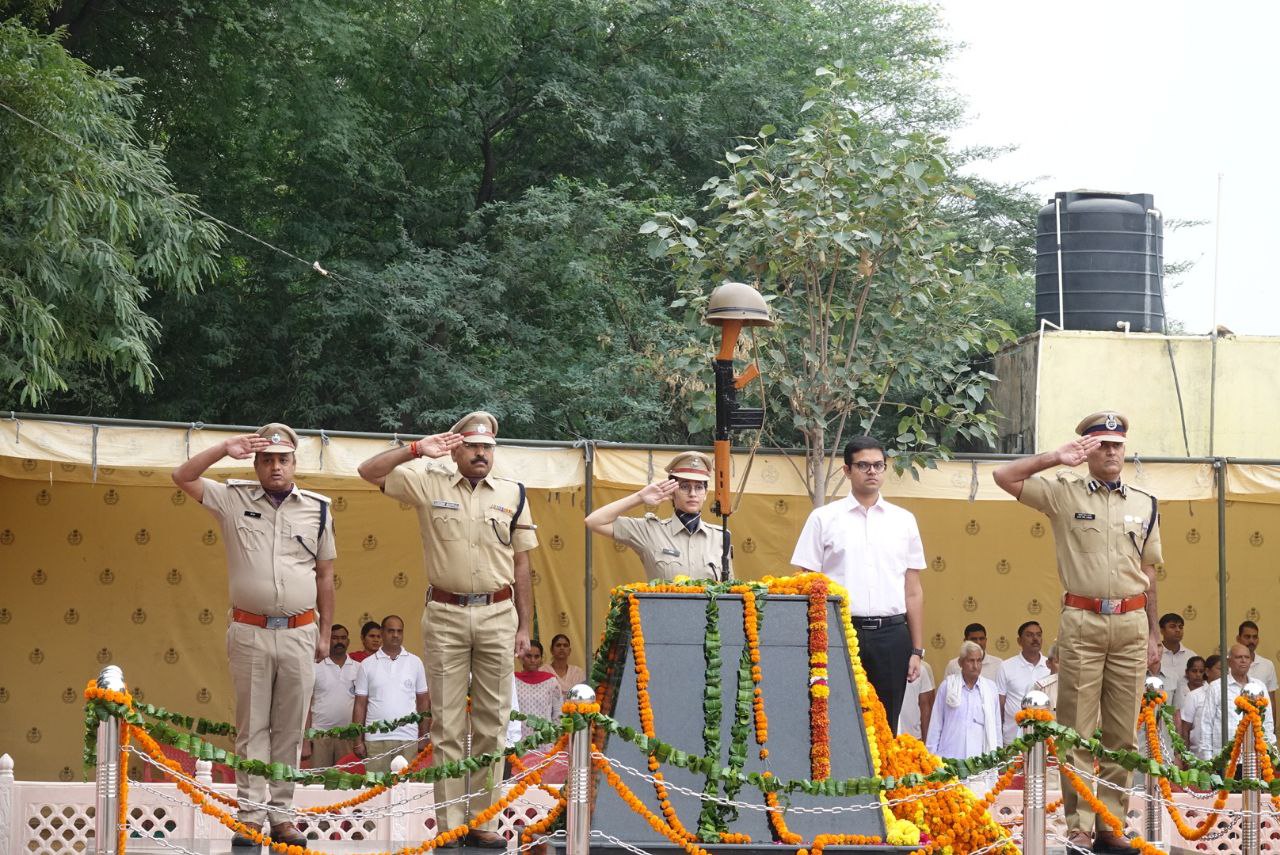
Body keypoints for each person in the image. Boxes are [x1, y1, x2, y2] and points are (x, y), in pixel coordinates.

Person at [357, 412, 535, 849]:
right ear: (456, 449)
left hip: (498, 613)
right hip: (446, 613)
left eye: (487, 447)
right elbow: (368, 471)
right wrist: (417, 449)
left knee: (494, 725)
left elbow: (523, 564)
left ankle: (484, 821)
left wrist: (527, 625)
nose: (480, 453)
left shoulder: (514, 493)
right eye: (472, 446)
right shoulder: (429, 480)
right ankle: (451, 824)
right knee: (448, 725)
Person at [993, 410, 1161, 855]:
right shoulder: (1063, 493)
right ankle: (1080, 826)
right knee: (1077, 731)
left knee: (1122, 734)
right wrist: (1054, 457)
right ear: (1087, 449)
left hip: (1131, 621)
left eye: (1117, 444)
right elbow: (1002, 475)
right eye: (1101, 444)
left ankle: (1110, 823)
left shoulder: (1145, 501)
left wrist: (1154, 634)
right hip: (1082, 620)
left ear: (1125, 449)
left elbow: (1148, 570)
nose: (1110, 451)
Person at [171, 423, 335, 849]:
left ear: (295, 464)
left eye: (283, 459)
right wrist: (225, 448)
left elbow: (326, 574)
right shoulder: (233, 498)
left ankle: (282, 817)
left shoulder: (318, 509)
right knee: (252, 730)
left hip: (300, 632)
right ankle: (250, 815)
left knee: (290, 730)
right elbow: (183, 477)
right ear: (257, 464)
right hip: (250, 630)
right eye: (267, 460)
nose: (275, 467)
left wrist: (324, 631)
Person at [791, 435, 926, 733]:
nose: (872, 471)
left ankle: (879, 781)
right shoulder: (823, 518)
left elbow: (913, 590)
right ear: (847, 470)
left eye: (878, 465)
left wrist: (917, 650)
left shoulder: (904, 521)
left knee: (886, 723)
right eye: (863, 465)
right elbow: (805, 583)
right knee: (834, 718)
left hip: (892, 635)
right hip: (838, 631)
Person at [584, 451, 730, 581]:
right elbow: (594, 521)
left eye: (699, 487)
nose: (692, 494)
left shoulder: (720, 537)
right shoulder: (650, 531)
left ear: (706, 494)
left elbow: (731, 592)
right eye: (685, 486)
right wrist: (639, 497)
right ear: (672, 491)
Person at [352, 615, 429, 773]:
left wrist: (424, 735)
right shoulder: (367, 665)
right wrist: (358, 740)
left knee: (406, 791)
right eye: (391, 631)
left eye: (399, 631)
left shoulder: (415, 662)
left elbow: (423, 702)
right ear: (382, 632)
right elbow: (360, 705)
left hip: (408, 737)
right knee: (375, 790)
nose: (395, 635)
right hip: (375, 738)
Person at [926, 641, 1001, 769]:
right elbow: (936, 723)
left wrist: (996, 757)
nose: (975, 666)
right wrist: (932, 757)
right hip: (950, 757)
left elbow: (996, 726)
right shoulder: (948, 686)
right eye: (971, 661)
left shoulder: (990, 688)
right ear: (961, 663)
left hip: (980, 758)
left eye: (979, 661)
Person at [1194, 644, 1274, 760]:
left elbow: (1268, 722)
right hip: (1223, 759)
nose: (1243, 661)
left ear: (1251, 661)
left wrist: (1267, 751)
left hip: (1254, 757)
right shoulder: (1217, 687)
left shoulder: (1259, 686)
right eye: (1238, 657)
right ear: (1229, 661)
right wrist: (1208, 759)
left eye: (1246, 657)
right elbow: (1206, 724)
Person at [303, 624, 362, 768]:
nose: (339, 641)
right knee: (319, 782)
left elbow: (364, 705)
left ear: (348, 641)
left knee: (347, 783)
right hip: (320, 736)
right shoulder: (315, 668)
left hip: (348, 736)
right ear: (328, 641)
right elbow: (306, 706)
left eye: (343, 638)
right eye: (335, 638)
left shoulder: (359, 668)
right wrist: (305, 740)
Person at [996, 621, 1052, 745]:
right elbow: (1000, 705)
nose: (1035, 638)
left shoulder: (1050, 666)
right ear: (1019, 641)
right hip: (1012, 739)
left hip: (1045, 739)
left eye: (1038, 635)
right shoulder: (1006, 666)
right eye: (1029, 635)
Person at [1153, 613, 1196, 708]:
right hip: (1158, 705)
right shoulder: (1154, 655)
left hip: (1186, 707)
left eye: (1180, 627)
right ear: (1162, 630)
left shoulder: (1191, 656)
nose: (1177, 630)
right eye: (1172, 627)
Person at [1182, 655, 1220, 756]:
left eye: (1227, 670)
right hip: (1200, 756)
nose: (1225, 673)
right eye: (1220, 669)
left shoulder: (1232, 696)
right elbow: (1185, 729)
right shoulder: (1194, 696)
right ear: (1207, 672)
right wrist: (1185, 756)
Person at [1238, 620, 1279, 709]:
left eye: (1255, 637)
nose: (1251, 640)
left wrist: (1273, 723)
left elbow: (1271, 700)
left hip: (1259, 721)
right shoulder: (1227, 664)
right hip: (1233, 720)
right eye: (1247, 637)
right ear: (1238, 638)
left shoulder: (1267, 665)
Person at [899, 658, 937, 741]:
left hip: (913, 737)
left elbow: (926, 707)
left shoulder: (922, 668)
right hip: (884, 735)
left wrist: (926, 743)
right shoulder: (880, 665)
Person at [1176, 656, 1208, 743]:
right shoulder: (1179, 690)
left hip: (1202, 739)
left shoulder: (1209, 690)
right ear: (1187, 672)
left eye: (1201, 671)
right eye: (1194, 671)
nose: (1198, 675)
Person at [547, 633, 586, 699]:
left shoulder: (578, 672)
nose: (562, 648)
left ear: (569, 651)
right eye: (558, 645)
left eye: (565, 645)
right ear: (551, 650)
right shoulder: (544, 671)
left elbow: (583, 696)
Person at [1032, 644, 1060, 714]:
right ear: (1048, 664)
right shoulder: (1041, 687)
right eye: (1057, 662)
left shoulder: (1079, 686)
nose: (1063, 666)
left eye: (1066, 662)